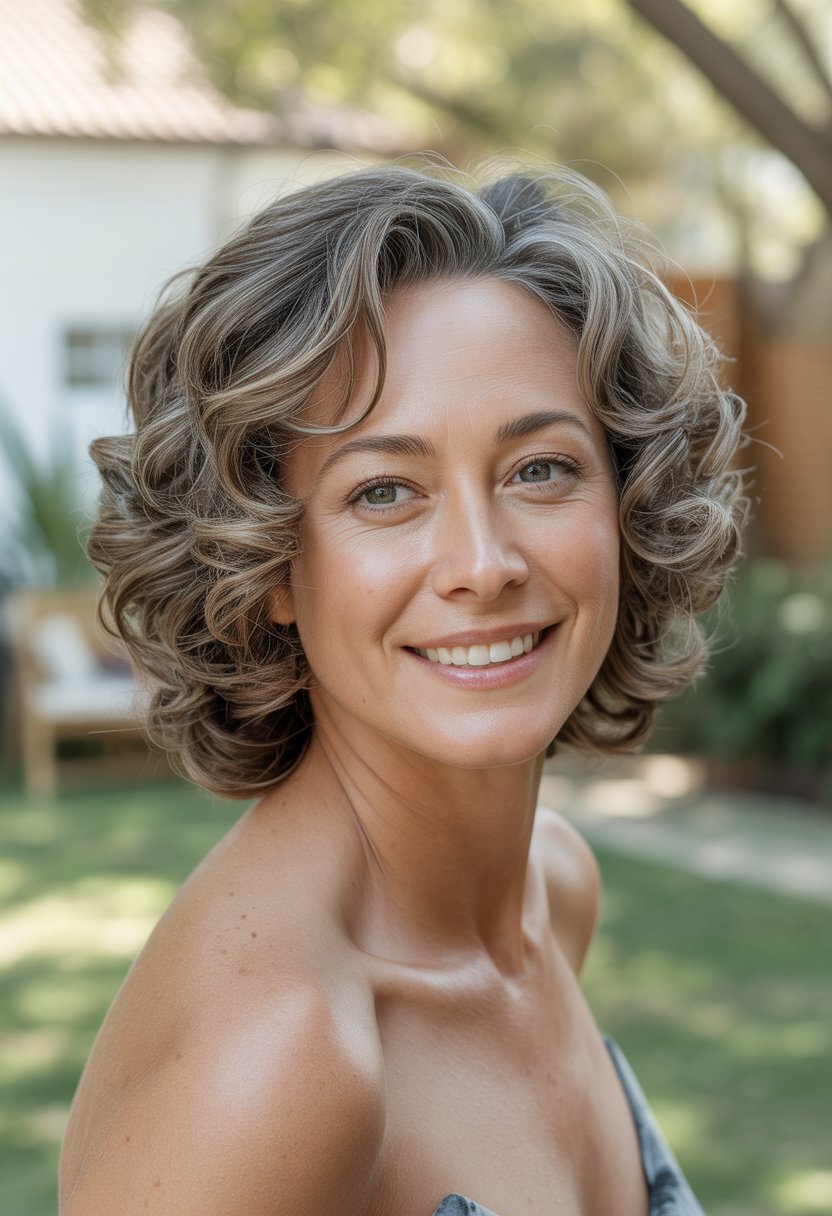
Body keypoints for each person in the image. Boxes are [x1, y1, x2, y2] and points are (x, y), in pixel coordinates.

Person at [59, 162, 747, 1216]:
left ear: (625, 499)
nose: (483, 562)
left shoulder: (551, 892)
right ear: (269, 563)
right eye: (385, 490)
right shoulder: (275, 1060)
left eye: (540, 469)